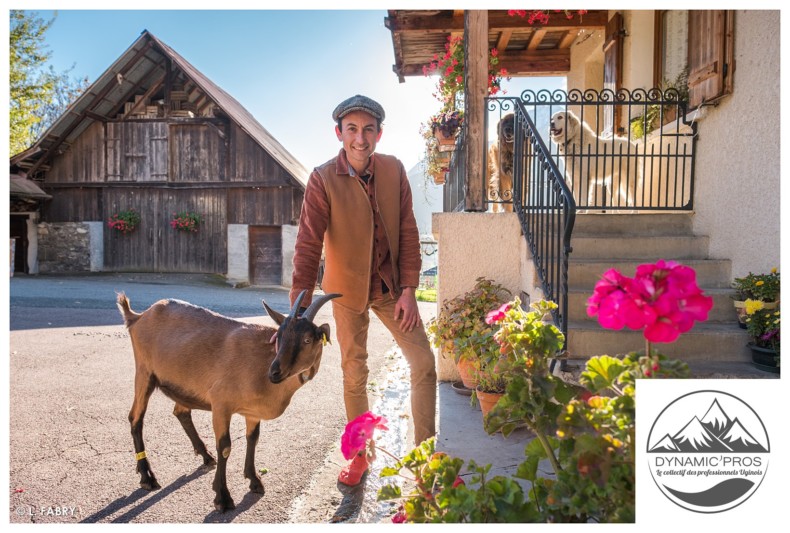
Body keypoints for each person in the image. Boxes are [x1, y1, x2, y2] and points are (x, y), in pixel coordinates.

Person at [290, 94, 437, 486]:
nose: (360, 138)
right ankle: (361, 456)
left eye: (368, 129)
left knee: (424, 365)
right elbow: (308, 242)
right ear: (338, 134)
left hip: (391, 290)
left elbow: (408, 229)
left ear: (379, 134)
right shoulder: (322, 179)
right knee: (354, 374)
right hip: (345, 294)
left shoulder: (394, 170)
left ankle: (426, 460)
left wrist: (409, 289)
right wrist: (298, 306)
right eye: (352, 129)